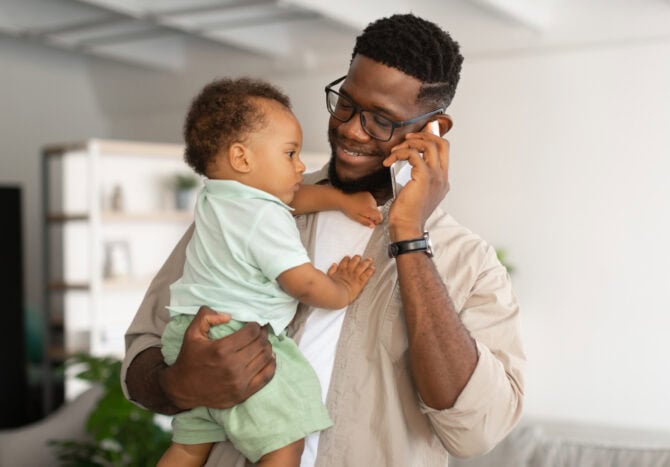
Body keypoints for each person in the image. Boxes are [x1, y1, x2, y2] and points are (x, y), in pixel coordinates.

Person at [122, 13, 525, 467]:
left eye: (381, 120)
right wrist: (178, 383)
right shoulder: (250, 205)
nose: (352, 129)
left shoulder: (469, 262)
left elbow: (476, 431)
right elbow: (142, 350)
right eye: (346, 103)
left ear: (432, 130)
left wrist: (410, 236)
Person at [157, 77, 379, 467]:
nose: (302, 165)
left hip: (189, 337)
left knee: (189, 448)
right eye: (290, 154)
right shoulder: (264, 218)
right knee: (284, 443)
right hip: (239, 341)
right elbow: (301, 281)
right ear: (243, 158)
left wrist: (340, 202)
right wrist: (342, 289)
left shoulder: (218, 196)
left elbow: (293, 201)